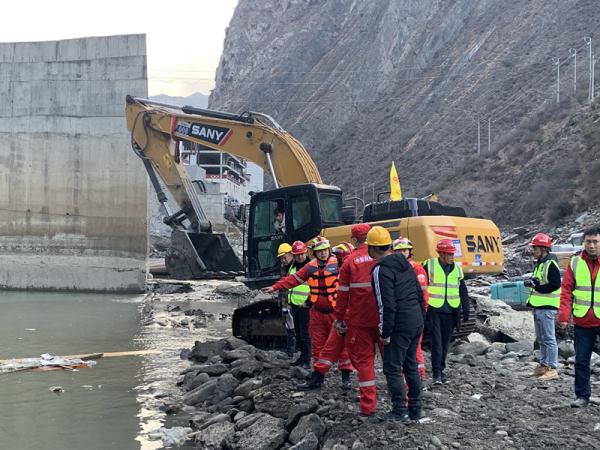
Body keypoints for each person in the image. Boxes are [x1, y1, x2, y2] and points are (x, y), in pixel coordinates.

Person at [264, 237, 351, 384]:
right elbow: (293, 279)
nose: (323, 253)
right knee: (317, 346)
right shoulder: (310, 267)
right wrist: (275, 287)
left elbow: (351, 259)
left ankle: (346, 377)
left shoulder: (339, 263)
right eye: (319, 251)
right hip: (317, 312)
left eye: (325, 250)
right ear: (315, 253)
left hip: (335, 313)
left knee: (342, 346)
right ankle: (318, 377)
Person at [370, 226, 425, 423]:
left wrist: (385, 332)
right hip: (415, 322)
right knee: (410, 365)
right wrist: (420, 321)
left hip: (400, 325)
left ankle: (399, 409)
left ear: (372, 248)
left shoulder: (380, 270)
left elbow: (386, 304)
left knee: (392, 367)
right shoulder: (405, 264)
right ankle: (415, 409)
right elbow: (419, 295)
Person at [558, 227, 600, 408]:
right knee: (581, 361)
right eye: (588, 242)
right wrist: (563, 316)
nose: (591, 246)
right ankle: (582, 396)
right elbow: (566, 291)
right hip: (583, 322)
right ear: (583, 243)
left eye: (595, 242)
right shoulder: (575, 262)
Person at [422, 239, 469, 385]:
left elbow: (463, 290)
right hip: (434, 310)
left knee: (445, 343)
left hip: (451, 311)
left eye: (452, 254)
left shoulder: (457, 269)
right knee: (436, 343)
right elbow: (421, 286)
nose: (452, 257)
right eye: (449, 254)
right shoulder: (429, 265)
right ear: (441, 254)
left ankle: (441, 370)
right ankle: (436, 373)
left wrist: (465, 308)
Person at [524, 233, 561, 380]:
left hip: (547, 306)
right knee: (541, 338)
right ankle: (544, 365)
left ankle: (552, 368)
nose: (533, 250)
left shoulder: (550, 264)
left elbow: (555, 284)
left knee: (549, 338)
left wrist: (538, 287)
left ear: (543, 249)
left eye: (535, 248)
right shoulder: (541, 263)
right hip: (539, 306)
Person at [393, 237, 429, 380]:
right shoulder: (393, 268)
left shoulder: (416, 268)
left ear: (410, 251)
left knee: (415, 347)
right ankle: (409, 377)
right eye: (399, 250)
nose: (402, 253)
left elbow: (423, 292)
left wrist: (422, 313)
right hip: (401, 313)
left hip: (414, 314)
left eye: (404, 250)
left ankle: (419, 377)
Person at [288, 240, 312, 368]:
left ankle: (307, 360)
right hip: (295, 305)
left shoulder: (310, 266)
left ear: (306, 252)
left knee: (305, 334)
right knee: (298, 332)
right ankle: (302, 357)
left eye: (301, 254)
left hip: (305, 306)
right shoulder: (293, 266)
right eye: (297, 255)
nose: (299, 257)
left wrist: (308, 302)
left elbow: (315, 287)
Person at [276, 243, 296, 358]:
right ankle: (290, 351)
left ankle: (293, 351)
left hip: (297, 302)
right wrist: (282, 304)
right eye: (281, 258)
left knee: (296, 328)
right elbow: (283, 289)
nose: (283, 260)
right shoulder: (284, 268)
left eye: (284, 257)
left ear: (291, 254)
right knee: (289, 327)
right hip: (287, 302)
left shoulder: (296, 267)